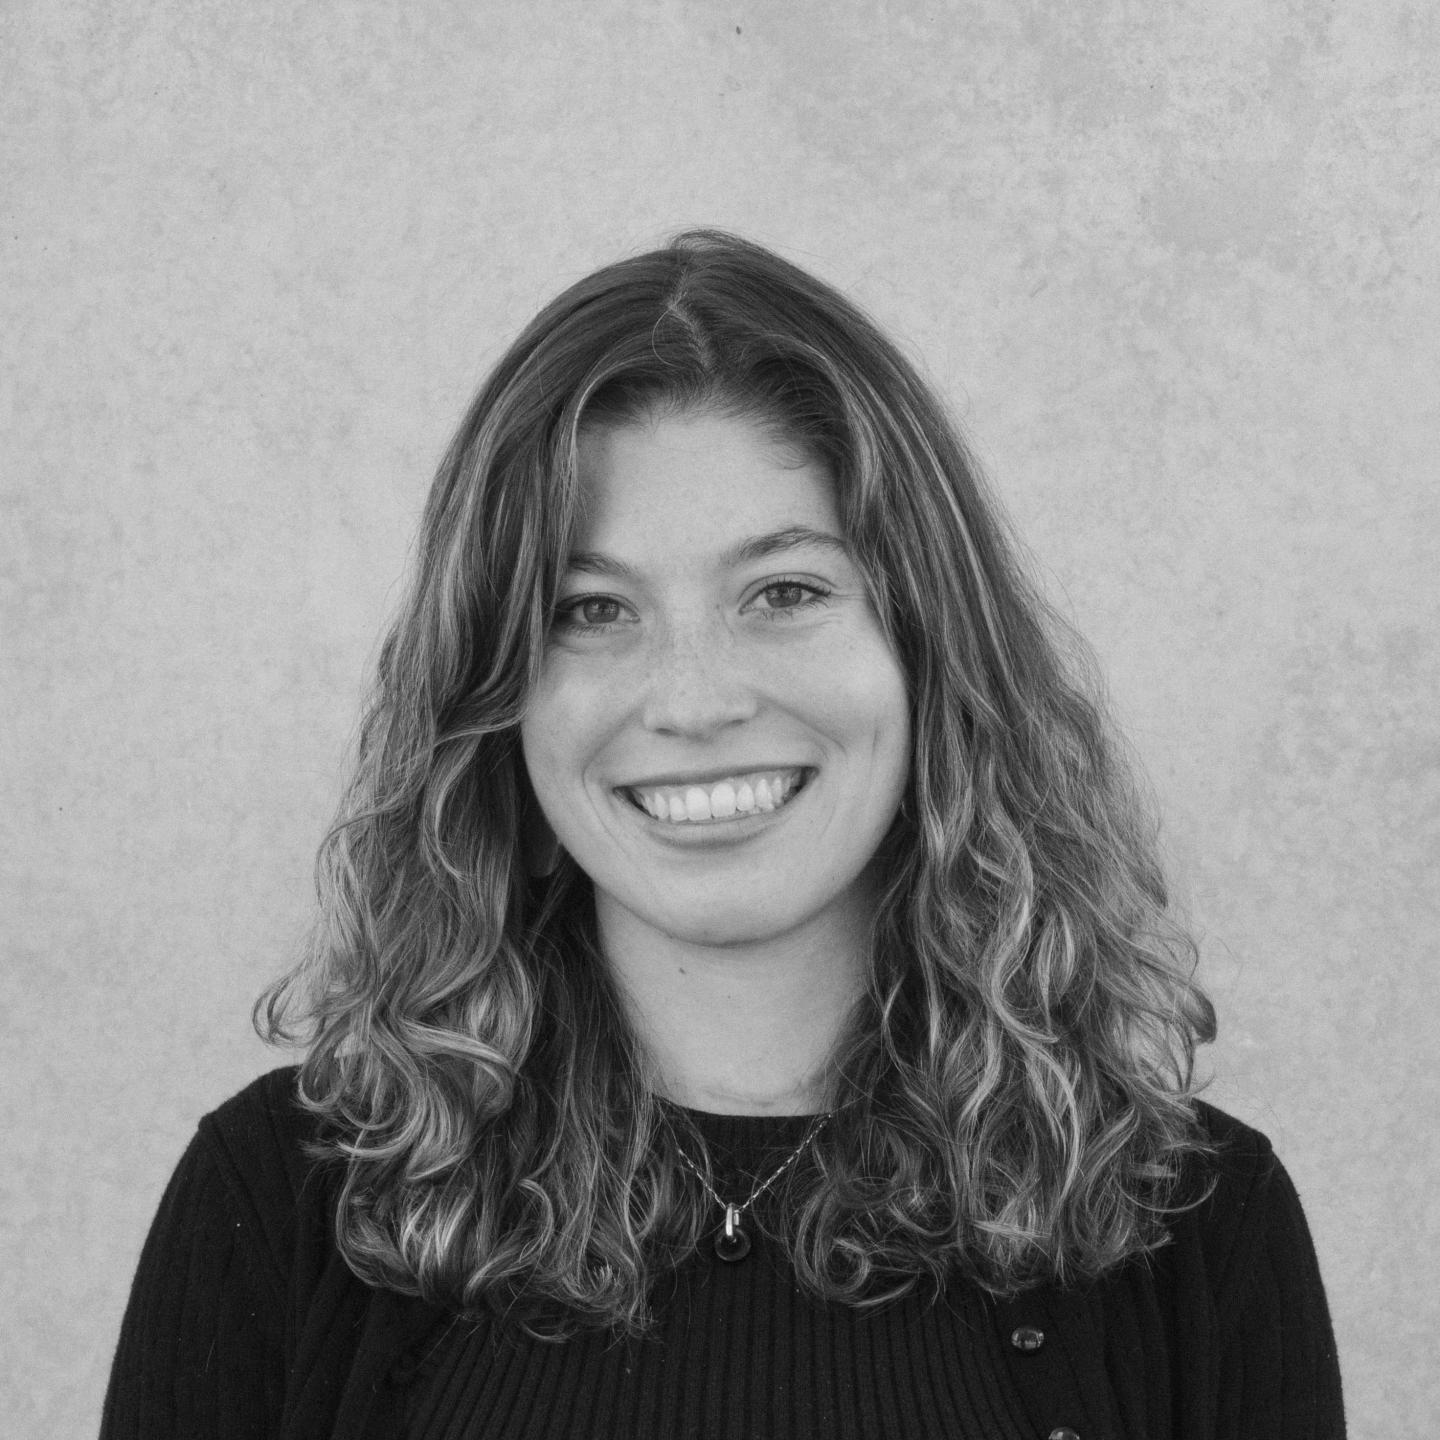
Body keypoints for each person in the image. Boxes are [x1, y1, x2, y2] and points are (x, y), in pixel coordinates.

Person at [101, 230, 1345, 1439]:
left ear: (931, 656)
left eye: (784, 592)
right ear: (496, 704)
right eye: (592, 609)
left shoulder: (1196, 1230)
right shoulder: (278, 1205)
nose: (693, 701)